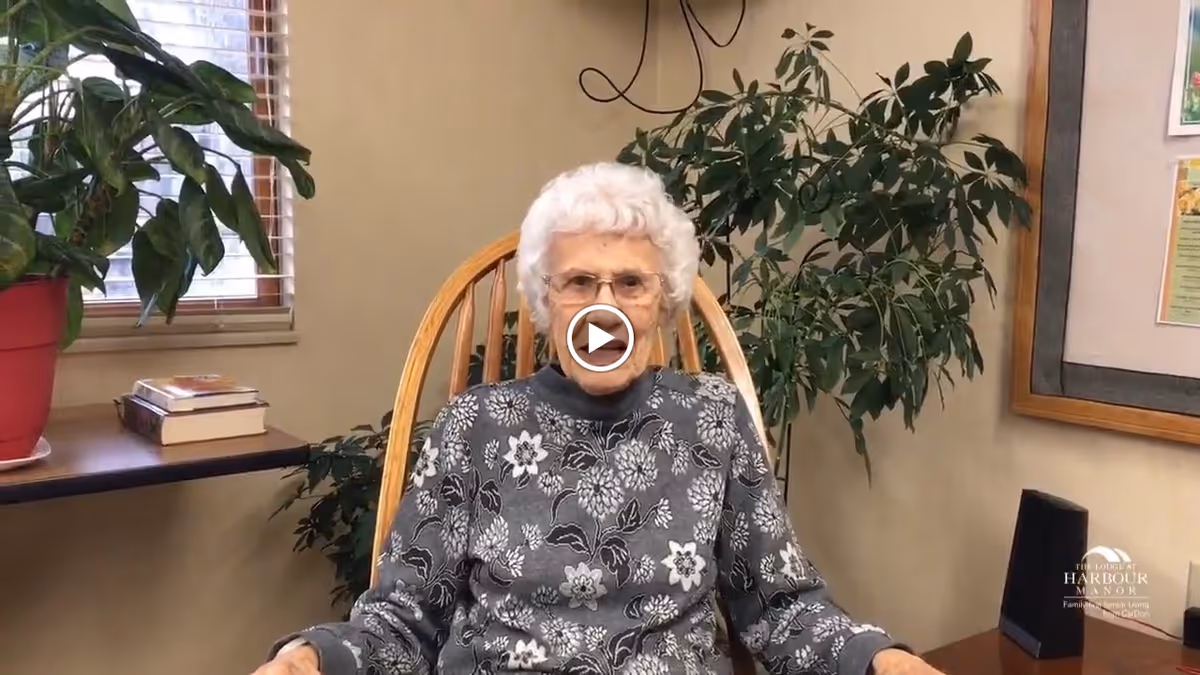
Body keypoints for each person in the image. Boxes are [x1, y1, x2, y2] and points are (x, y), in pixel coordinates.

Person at [253, 162, 945, 675]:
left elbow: (781, 606)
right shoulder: (475, 426)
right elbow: (402, 618)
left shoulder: (712, 418)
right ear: (547, 301)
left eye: (631, 283)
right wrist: (310, 658)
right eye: (579, 281)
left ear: (663, 302)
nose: (602, 304)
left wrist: (881, 660)